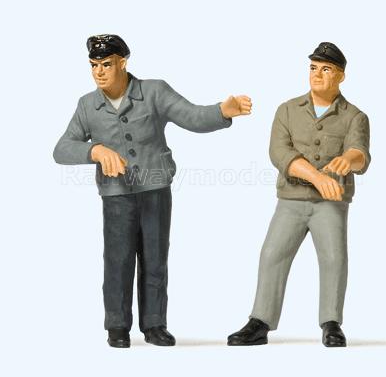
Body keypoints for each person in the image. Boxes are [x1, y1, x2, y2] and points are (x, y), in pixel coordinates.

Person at [53, 34, 252, 348]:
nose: (99, 72)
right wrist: (95, 151)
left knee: (155, 259)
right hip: (116, 194)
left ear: (123, 62)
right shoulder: (87, 105)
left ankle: (155, 324)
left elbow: (192, 116)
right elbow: (61, 149)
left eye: (106, 64)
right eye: (93, 65)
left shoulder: (154, 91)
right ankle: (117, 325)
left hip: (155, 190)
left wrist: (222, 111)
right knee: (117, 261)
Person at [227, 42, 370, 347]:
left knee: (334, 258)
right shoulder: (288, 110)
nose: (317, 74)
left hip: (330, 203)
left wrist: (349, 159)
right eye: (313, 68)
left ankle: (331, 322)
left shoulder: (355, 116)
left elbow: (360, 152)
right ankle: (260, 320)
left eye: (326, 69)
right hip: (291, 199)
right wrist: (317, 176)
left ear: (341, 76)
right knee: (272, 254)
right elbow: (279, 152)